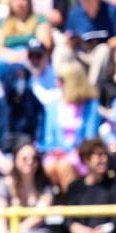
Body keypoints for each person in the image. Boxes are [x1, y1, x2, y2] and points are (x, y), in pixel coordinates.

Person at [40, 61, 101, 191]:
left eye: (61, 80)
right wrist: (56, 150)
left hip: (81, 154)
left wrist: (70, 151)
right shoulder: (53, 106)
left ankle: (72, 202)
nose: (57, 84)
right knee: (49, 166)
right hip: (57, 154)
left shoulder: (90, 106)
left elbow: (90, 137)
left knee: (64, 166)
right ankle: (64, 198)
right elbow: (49, 138)